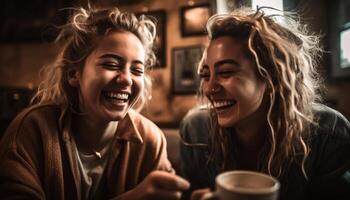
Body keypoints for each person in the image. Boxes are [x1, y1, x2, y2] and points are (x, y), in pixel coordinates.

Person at [0, 6, 189, 200]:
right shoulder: (31, 131)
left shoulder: (151, 139)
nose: (127, 80)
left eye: (137, 70)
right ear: (74, 74)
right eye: (110, 65)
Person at [179, 6, 350, 200]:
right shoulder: (195, 130)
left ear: (272, 77)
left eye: (225, 72)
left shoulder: (328, 133)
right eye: (205, 75)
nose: (209, 89)